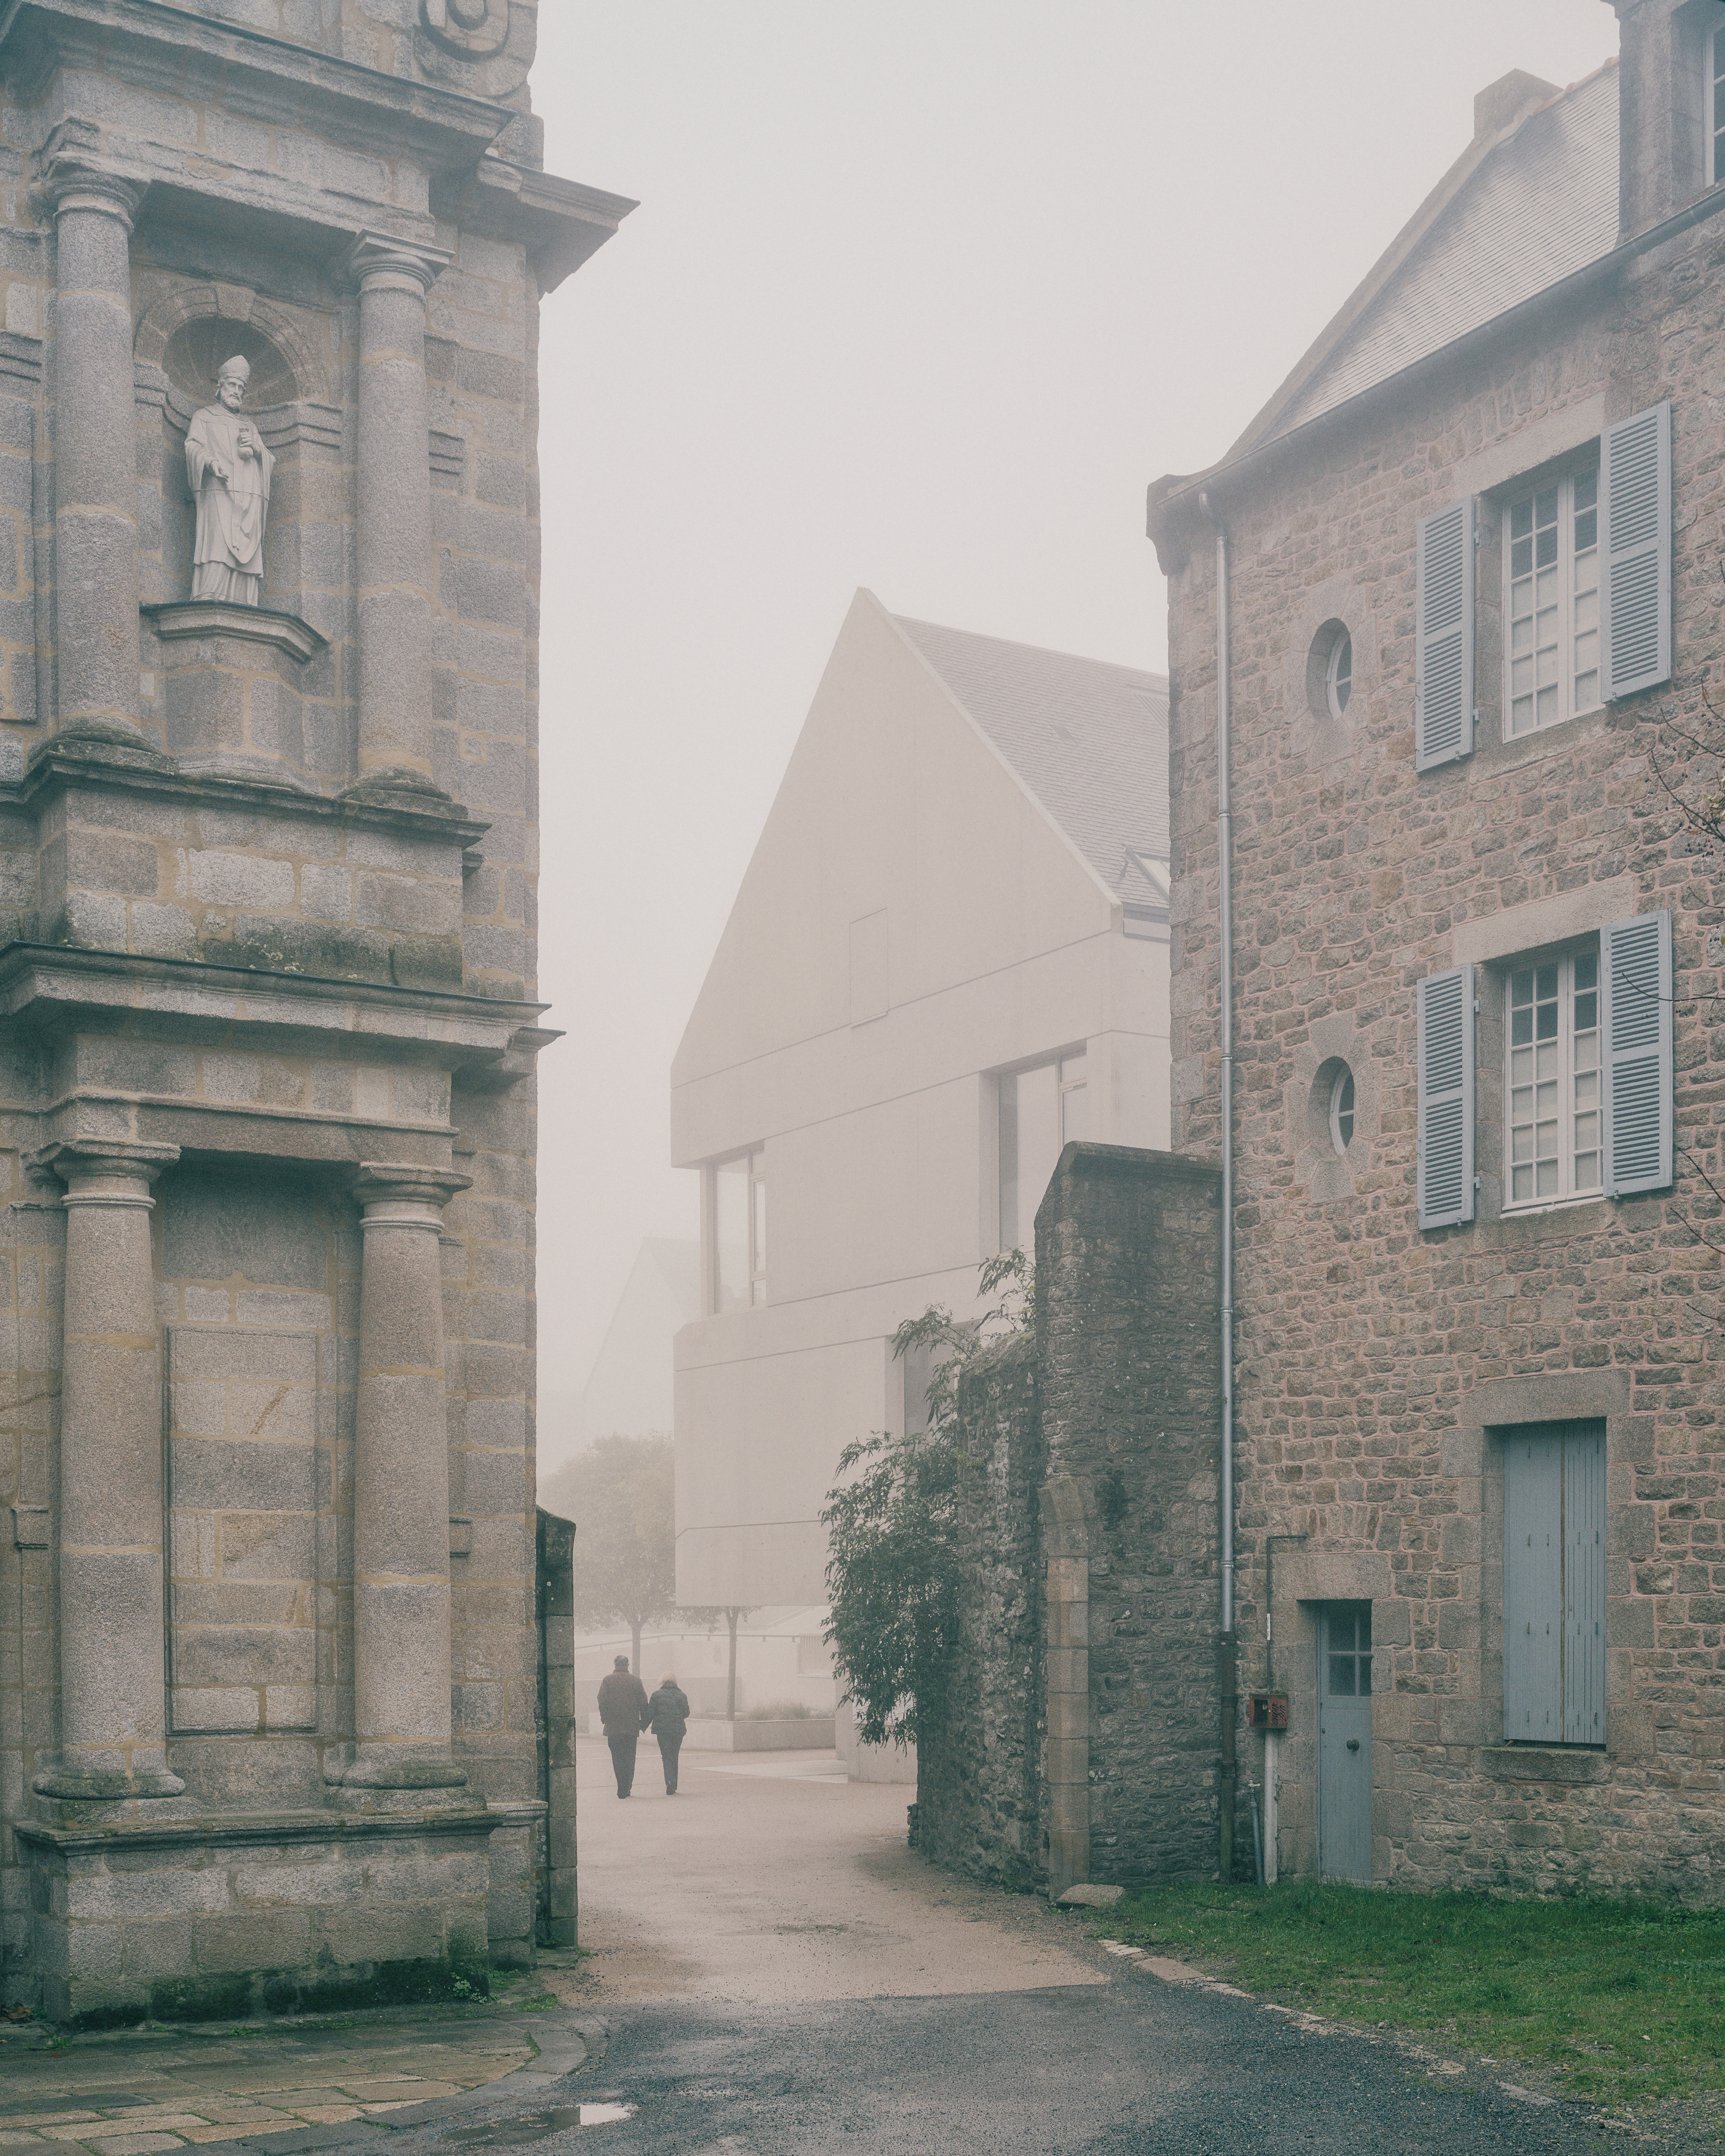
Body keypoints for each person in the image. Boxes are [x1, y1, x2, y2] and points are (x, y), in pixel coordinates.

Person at [185, 355, 274, 605]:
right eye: (232, 385)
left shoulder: (249, 426)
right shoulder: (204, 417)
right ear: (220, 387)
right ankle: (209, 595)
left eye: (241, 388)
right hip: (218, 490)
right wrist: (211, 463)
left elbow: (268, 459)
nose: (237, 392)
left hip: (248, 498)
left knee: (246, 550)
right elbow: (193, 446)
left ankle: (244, 600)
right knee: (217, 544)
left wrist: (257, 450)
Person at [596, 1655, 649, 1799]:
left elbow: (602, 1700)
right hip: (631, 1727)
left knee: (617, 1757)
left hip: (613, 1727)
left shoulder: (608, 1680)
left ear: (615, 1665)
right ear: (628, 1665)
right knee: (630, 1758)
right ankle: (627, 1786)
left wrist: (605, 1719)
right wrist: (643, 1724)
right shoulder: (636, 1681)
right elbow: (644, 1703)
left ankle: (621, 1787)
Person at [646, 1671, 690, 1795]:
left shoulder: (657, 1695)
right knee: (674, 1756)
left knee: (666, 1757)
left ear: (662, 1681)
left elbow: (650, 1713)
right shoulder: (682, 1695)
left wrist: (643, 1725)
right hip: (677, 1730)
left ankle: (669, 1783)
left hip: (663, 1731)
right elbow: (686, 1713)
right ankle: (674, 1785)